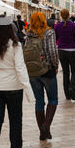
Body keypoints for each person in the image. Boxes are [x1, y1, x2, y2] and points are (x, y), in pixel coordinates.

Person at [0, 16, 35, 148]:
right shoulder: (15, 45)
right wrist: (29, 93)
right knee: (16, 122)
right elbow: (20, 68)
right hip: (13, 88)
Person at [25, 13, 59, 141]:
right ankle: (46, 125)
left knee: (39, 101)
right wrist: (55, 65)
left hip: (33, 72)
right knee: (53, 99)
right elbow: (52, 51)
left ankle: (43, 132)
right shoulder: (49, 32)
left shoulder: (28, 34)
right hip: (47, 70)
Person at [54, 9, 75, 101]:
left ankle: (67, 94)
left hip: (61, 50)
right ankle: (72, 88)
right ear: (69, 15)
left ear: (61, 16)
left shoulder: (57, 26)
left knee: (65, 73)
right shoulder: (73, 25)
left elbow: (55, 38)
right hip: (72, 50)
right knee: (74, 71)